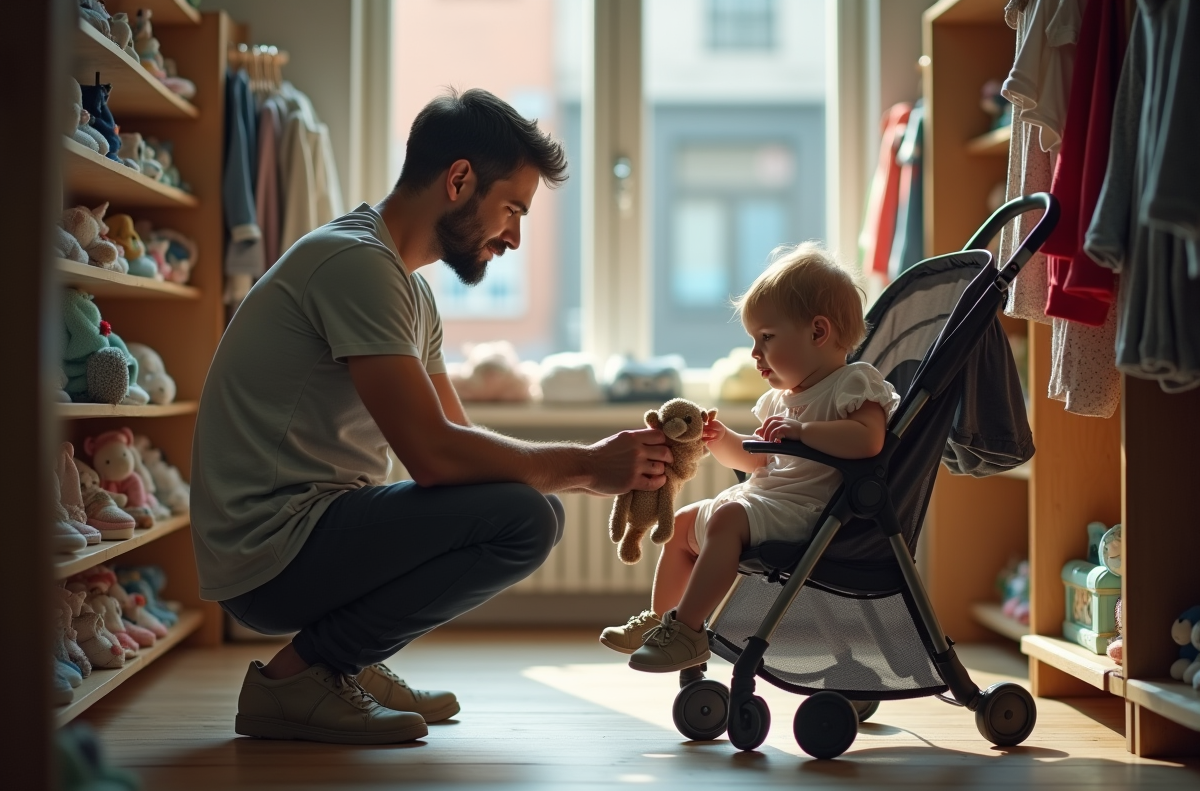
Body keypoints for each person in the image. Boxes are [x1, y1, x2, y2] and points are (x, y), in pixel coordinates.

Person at [191, 88, 673, 745]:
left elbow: (459, 447)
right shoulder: (356, 265)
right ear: (458, 179)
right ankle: (302, 676)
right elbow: (435, 457)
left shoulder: (409, 291)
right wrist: (586, 465)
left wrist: (591, 471)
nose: (515, 236)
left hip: (309, 529)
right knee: (525, 518)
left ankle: (348, 663)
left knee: (530, 507)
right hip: (269, 548)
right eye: (512, 209)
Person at [599, 244, 901, 672]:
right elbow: (756, 460)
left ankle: (687, 630)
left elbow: (869, 440)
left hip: (812, 513)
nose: (755, 354)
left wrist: (804, 432)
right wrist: (720, 439)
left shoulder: (853, 383)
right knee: (684, 521)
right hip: (769, 503)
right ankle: (661, 622)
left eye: (767, 338)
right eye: (753, 341)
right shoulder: (779, 401)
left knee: (728, 518)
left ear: (818, 332)